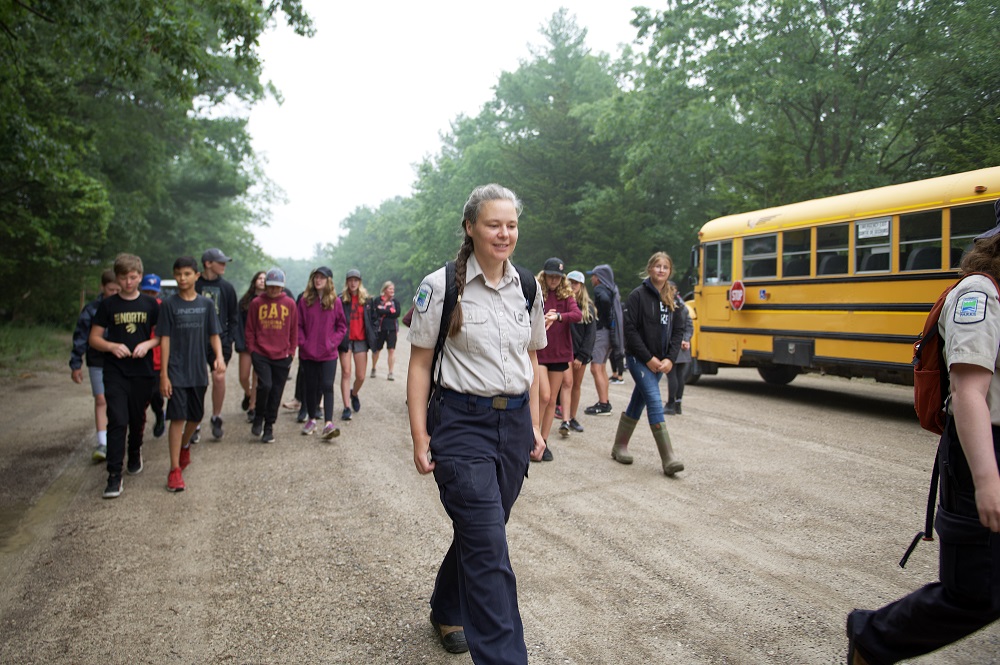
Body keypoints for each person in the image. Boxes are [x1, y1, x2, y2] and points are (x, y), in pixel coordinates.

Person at [846, 201, 1000, 665]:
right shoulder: (980, 293)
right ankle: (872, 639)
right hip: (983, 450)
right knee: (973, 592)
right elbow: (969, 390)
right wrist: (988, 480)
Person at [406, 184, 546, 664]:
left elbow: (533, 358)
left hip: (514, 424)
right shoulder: (441, 286)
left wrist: (539, 421)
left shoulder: (528, 286)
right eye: (493, 224)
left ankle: (448, 607)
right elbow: (420, 364)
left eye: (511, 225)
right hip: (461, 425)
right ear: (470, 227)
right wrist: (419, 433)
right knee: (489, 546)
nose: (504, 233)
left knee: (484, 530)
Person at [88, 253, 160, 499]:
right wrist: (111, 346)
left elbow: (161, 336)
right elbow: (94, 338)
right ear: (117, 278)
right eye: (123, 278)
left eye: (133, 277)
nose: (128, 282)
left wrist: (148, 345)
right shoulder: (108, 305)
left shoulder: (151, 305)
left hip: (142, 370)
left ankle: (135, 449)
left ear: (140, 277)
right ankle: (113, 475)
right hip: (115, 370)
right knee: (117, 419)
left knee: (137, 416)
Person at [611, 252, 685, 476]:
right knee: (653, 399)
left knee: (639, 400)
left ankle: (619, 446)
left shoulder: (673, 297)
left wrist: (669, 359)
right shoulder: (637, 296)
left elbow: (678, 331)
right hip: (638, 359)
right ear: (650, 269)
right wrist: (648, 359)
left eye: (665, 267)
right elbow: (630, 331)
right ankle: (668, 457)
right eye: (657, 266)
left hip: (661, 362)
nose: (661, 270)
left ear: (669, 271)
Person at [157, 257, 223, 492]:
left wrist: (219, 357)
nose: (182, 278)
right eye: (178, 274)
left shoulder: (206, 305)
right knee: (177, 417)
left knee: (196, 416)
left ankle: (184, 447)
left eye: (186, 274)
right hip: (176, 370)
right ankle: (174, 470)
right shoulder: (168, 305)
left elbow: (214, 334)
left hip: (198, 370)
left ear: (196, 276)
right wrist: (163, 375)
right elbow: (164, 340)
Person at [69, 269, 120, 462]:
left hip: (121, 360)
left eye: (117, 289)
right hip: (97, 360)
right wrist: (76, 364)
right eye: (110, 289)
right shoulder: (91, 309)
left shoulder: (126, 306)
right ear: (102, 287)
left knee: (118, 400)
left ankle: (118, 437)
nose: (114, 293)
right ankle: (103, 442)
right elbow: (81, 337)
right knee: (101, 399)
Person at [245, 268, 298, 444]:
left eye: (277, 287)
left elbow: (293, 330)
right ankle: (259, 416)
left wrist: (291, 352)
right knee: (265, 386)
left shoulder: (290, 304)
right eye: (270, 286)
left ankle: (269, 426)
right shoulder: (256, 303)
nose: (273, 290)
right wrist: (252, 350)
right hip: (261, 353)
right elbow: (250, 329)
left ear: (282, 287)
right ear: (266, 285)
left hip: (282, 355)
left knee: (276, 391)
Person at [536, 258, 581, 458]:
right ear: (544, 275)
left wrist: (559, 317)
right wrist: (544, 317)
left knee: (552, 399)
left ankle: (543, 442)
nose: (553, 280)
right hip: (539, 352)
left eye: (557, 277)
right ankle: (532, 437)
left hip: (560, 353)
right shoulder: (537, 291)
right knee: (543, 396)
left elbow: (577, 315)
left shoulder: (567, 295)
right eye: (550, 276)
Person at [297, 266, 348, 440]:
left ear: (328, 281)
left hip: (329, 353)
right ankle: (311, 419)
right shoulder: (305, 301)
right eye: (315, 277)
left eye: (322, 278)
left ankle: (328, 423)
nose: (318, 280)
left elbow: (342, 326)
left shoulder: (335, 301)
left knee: (327, 386)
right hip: (308, 353)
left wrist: (332, 342)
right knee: (310, 387)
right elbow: (298, 325)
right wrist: (303, 343)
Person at [195, 247, 239, 440]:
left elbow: (233, 317)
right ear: (207, 264)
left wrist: (229, 340)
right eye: (220, 262)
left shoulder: (227, 288)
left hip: (220, 340)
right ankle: (194, 421)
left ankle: (216, 416)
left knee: (218, 377)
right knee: (197, 381)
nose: (224, 265)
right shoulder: (195, 285)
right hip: (195, 340)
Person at [584, 264, 624, 416]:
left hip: (602, 333)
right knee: (601, 368)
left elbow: (605, 302)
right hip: (610, 335)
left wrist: (601, 319)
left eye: (593, 276)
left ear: (599, 278)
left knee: (595, 368)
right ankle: (604, 400)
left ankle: (603, 403)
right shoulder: (613, 290)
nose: (592, 279)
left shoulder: (600, 290)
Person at [338, 269, 374, 421]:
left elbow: (373, 320)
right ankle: (346, 408)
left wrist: (375, 337)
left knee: (360, 376)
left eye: (356, 280)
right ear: (347, 282)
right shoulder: (340, 300)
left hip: (361, 340)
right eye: (350, 280)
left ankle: (354, 394)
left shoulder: (367, 300)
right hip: (345, 340)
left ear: (359, 282)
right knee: (346, 373)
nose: (353, 283)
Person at [566, 269, 596, 433]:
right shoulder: (562, 303)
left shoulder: (588, 308)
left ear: (581, 285)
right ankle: (563, 415)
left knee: (575, 385)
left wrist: (583, 356)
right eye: (570, 282)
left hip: (579, 353)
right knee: (565, 384)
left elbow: (591, 335)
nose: (572, 285)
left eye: (576, 283)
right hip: (564, 352)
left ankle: (572, 416)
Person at [237, 271, 266, 423]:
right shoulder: (244, 302)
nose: (262, 281)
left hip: (262, 344)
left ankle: (253, 407)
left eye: (265, 279)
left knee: (257, 376)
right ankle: (248, 394)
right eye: (259, 278)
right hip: (246, 343)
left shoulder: (269, 301)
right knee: (243, 376)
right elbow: (238, 323)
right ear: (254, 281)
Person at [140, 273, 166, 439]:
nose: (150, 296)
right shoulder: (136, 306)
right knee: (140, 395)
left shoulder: (162, 307)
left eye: (153, 292)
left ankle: (159, 414)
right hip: (140, 357)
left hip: (157, 358)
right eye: (147, 292)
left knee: (155, 394)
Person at [664, 281, 693, 415]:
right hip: (684, 345)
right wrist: (686, 340)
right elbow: (689, 325)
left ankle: (670, 403)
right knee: (680, 375)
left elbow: (669, 327)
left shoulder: (670, 306)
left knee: (672, 375)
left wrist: (678, 340)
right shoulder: (684, 306)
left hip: (674, 344)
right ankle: (678, 404)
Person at [370, 281, 400, 380]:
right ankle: (373, 368)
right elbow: (377, 311)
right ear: (385, 289)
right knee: (377, 350)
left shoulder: (395, 301)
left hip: (392, 329)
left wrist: (384, 310)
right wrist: (389, 310)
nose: (392, 291)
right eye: (390, 289)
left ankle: (390, 372)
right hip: (379, 329)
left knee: (391, 350)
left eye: (393, 289)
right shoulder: (378, 300)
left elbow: (397, 314)